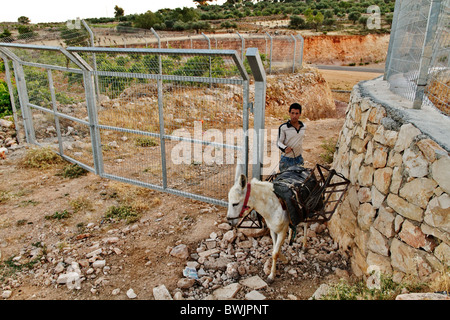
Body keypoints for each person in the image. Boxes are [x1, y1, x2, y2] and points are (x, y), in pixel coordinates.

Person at [277, 103, 306, 172]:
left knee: (298, 180)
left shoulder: (304, 126)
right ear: (289, 113)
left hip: (299, 159)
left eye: (297, 113)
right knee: (286, 181)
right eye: (292, 113)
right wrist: (285, 148)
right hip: (287, 160)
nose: (294, 116)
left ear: (300, 114)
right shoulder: (283, 127)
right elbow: (279, 142)